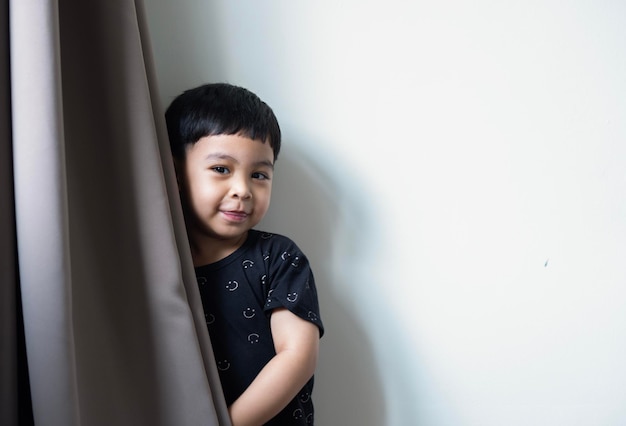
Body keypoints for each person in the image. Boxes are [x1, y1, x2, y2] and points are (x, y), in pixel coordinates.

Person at [165, 83, 324, 426]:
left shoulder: (278, 257)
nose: (243, 190)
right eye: (221, 169)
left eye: (259, 175)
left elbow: (297, 355)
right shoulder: (161, 263)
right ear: (176, 174)